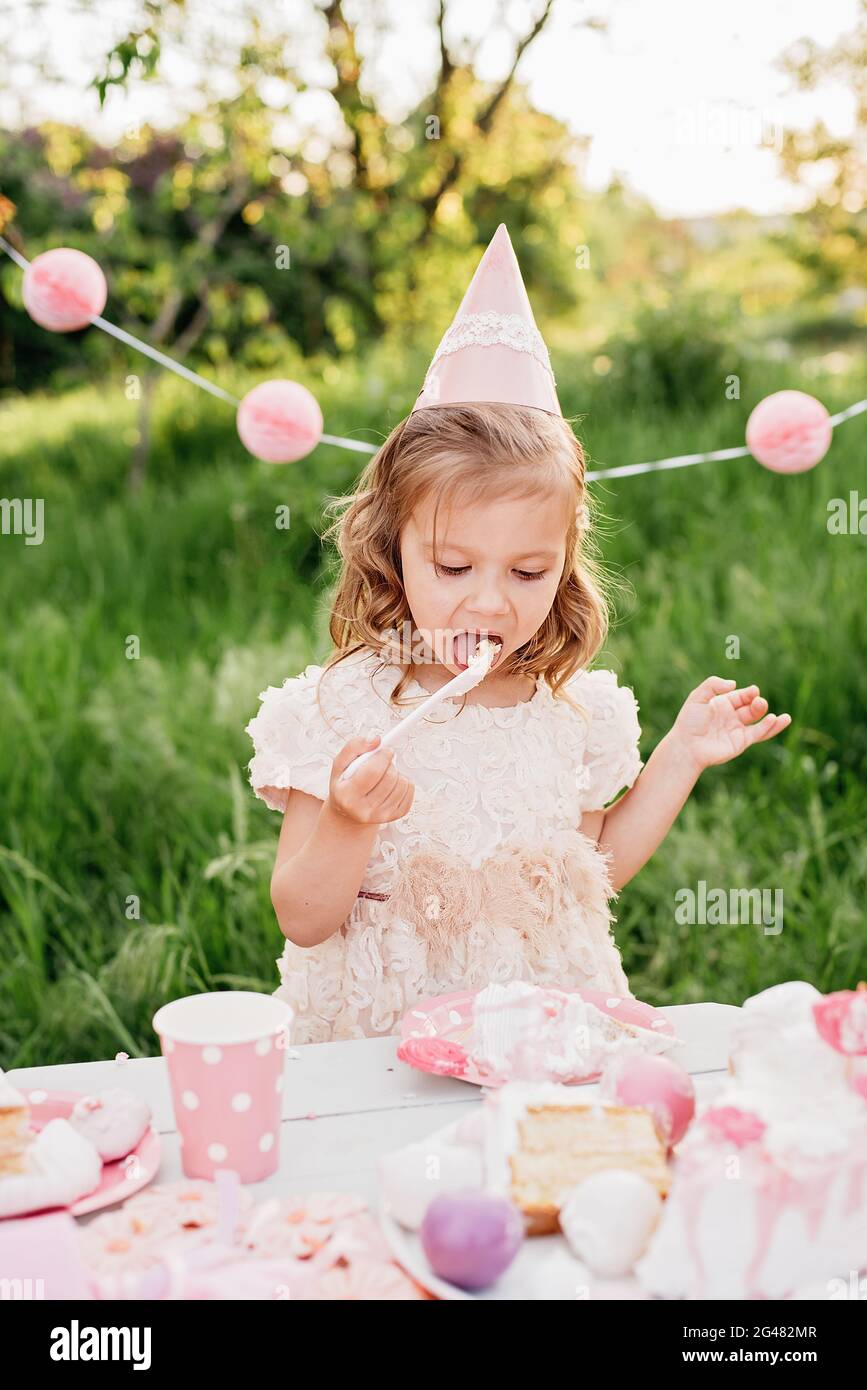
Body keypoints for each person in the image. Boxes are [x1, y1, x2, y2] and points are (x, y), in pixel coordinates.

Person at [245, 225, 790, 1043]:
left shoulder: (569, 713)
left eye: (527, 573)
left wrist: (678, 757)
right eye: (454, 569)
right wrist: (350, 822)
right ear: (393, 550)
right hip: (384, 1043)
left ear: (565, 564)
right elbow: (304, 919)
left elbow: (592, 870)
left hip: (540, 1028)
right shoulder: (343, 711)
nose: (490, 604)